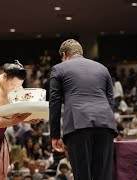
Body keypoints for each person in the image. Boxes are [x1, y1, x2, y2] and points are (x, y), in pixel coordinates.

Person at [49, 39, 119, 180]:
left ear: (64, 55)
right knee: (104, 176)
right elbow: (110, 101)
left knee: (82, 176)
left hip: (78, 124)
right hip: (105, 124)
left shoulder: (59, 68)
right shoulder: (102, 68)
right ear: (80, 53)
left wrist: (55, 135)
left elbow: (55, 103)